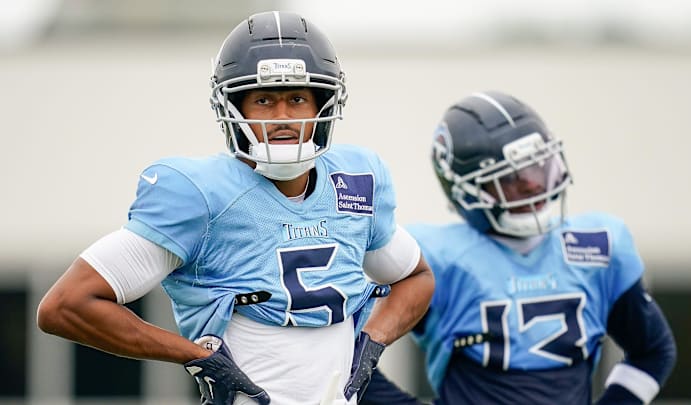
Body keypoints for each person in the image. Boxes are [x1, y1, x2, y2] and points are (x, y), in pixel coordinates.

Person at [36, 10, 434, 405]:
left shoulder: (353, 179)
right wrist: (194, 355)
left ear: (324, 104)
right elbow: (66, 306)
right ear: (232, 108)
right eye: (263, 100)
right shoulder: (200, 194)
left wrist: (373, 342)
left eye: (297, 98)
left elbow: (416, 278)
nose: (282, 118)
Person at [361, 91, 676, 404]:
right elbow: (351, 354)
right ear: (467, 191)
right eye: (512, 177)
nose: (534, 184)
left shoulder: (598, 244)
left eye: (538, 166)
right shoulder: (434, 256)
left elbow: (652, 351)